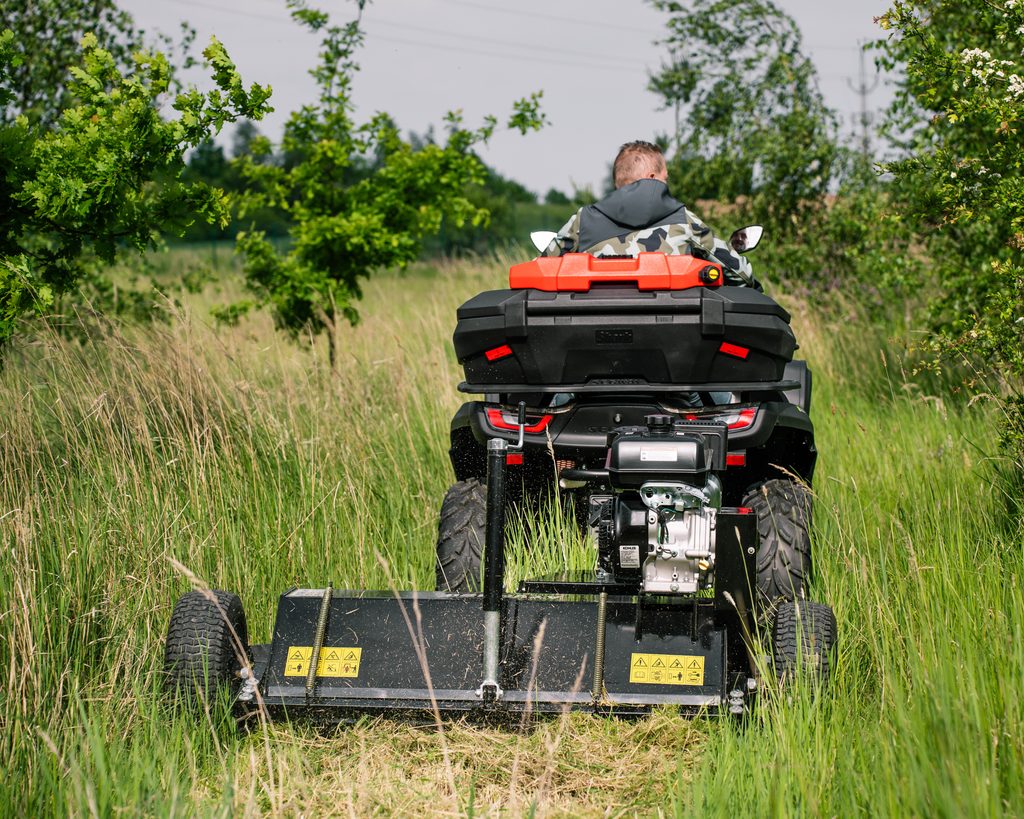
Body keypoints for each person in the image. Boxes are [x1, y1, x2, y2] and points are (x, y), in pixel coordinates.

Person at [542, 141, 755, 286]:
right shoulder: (683, 219)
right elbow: (740, 274)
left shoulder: (583, 219)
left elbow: (542, 270)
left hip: (595, 330)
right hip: (676, 330)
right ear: (652, 178)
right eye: (665, 178)